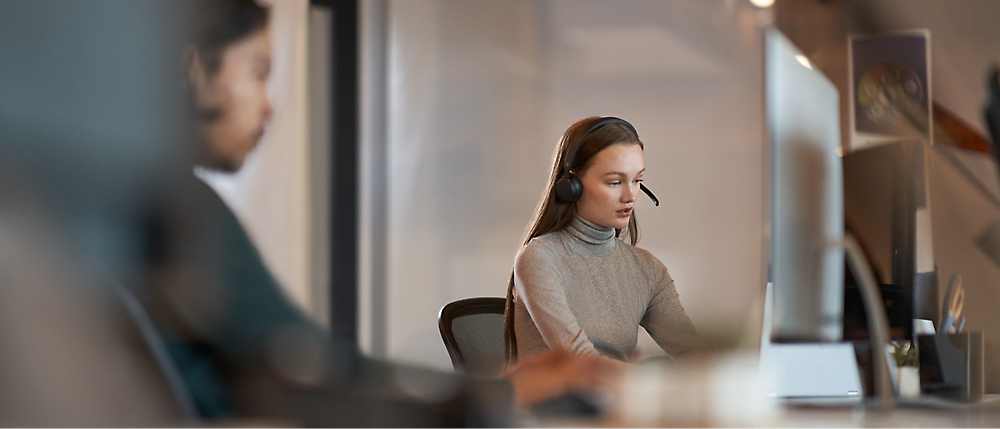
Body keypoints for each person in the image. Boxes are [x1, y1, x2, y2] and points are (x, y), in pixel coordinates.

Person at [139, 0, 617, 422]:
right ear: (195, 69)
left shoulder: (131, 213)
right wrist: (502, 394)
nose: (269, 107)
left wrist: (499, 389)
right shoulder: (182, 214)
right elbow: (324, 375)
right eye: (258, 72)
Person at [503, 116, 707, 367]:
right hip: (558, 404)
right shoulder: (540, 258)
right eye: (615, 182)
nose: (630, 195)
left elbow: (693, 352)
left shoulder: (648, 270)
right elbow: (581, 362)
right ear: (572, 185)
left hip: (620, 402)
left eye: (637, 180)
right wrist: (653, 385)